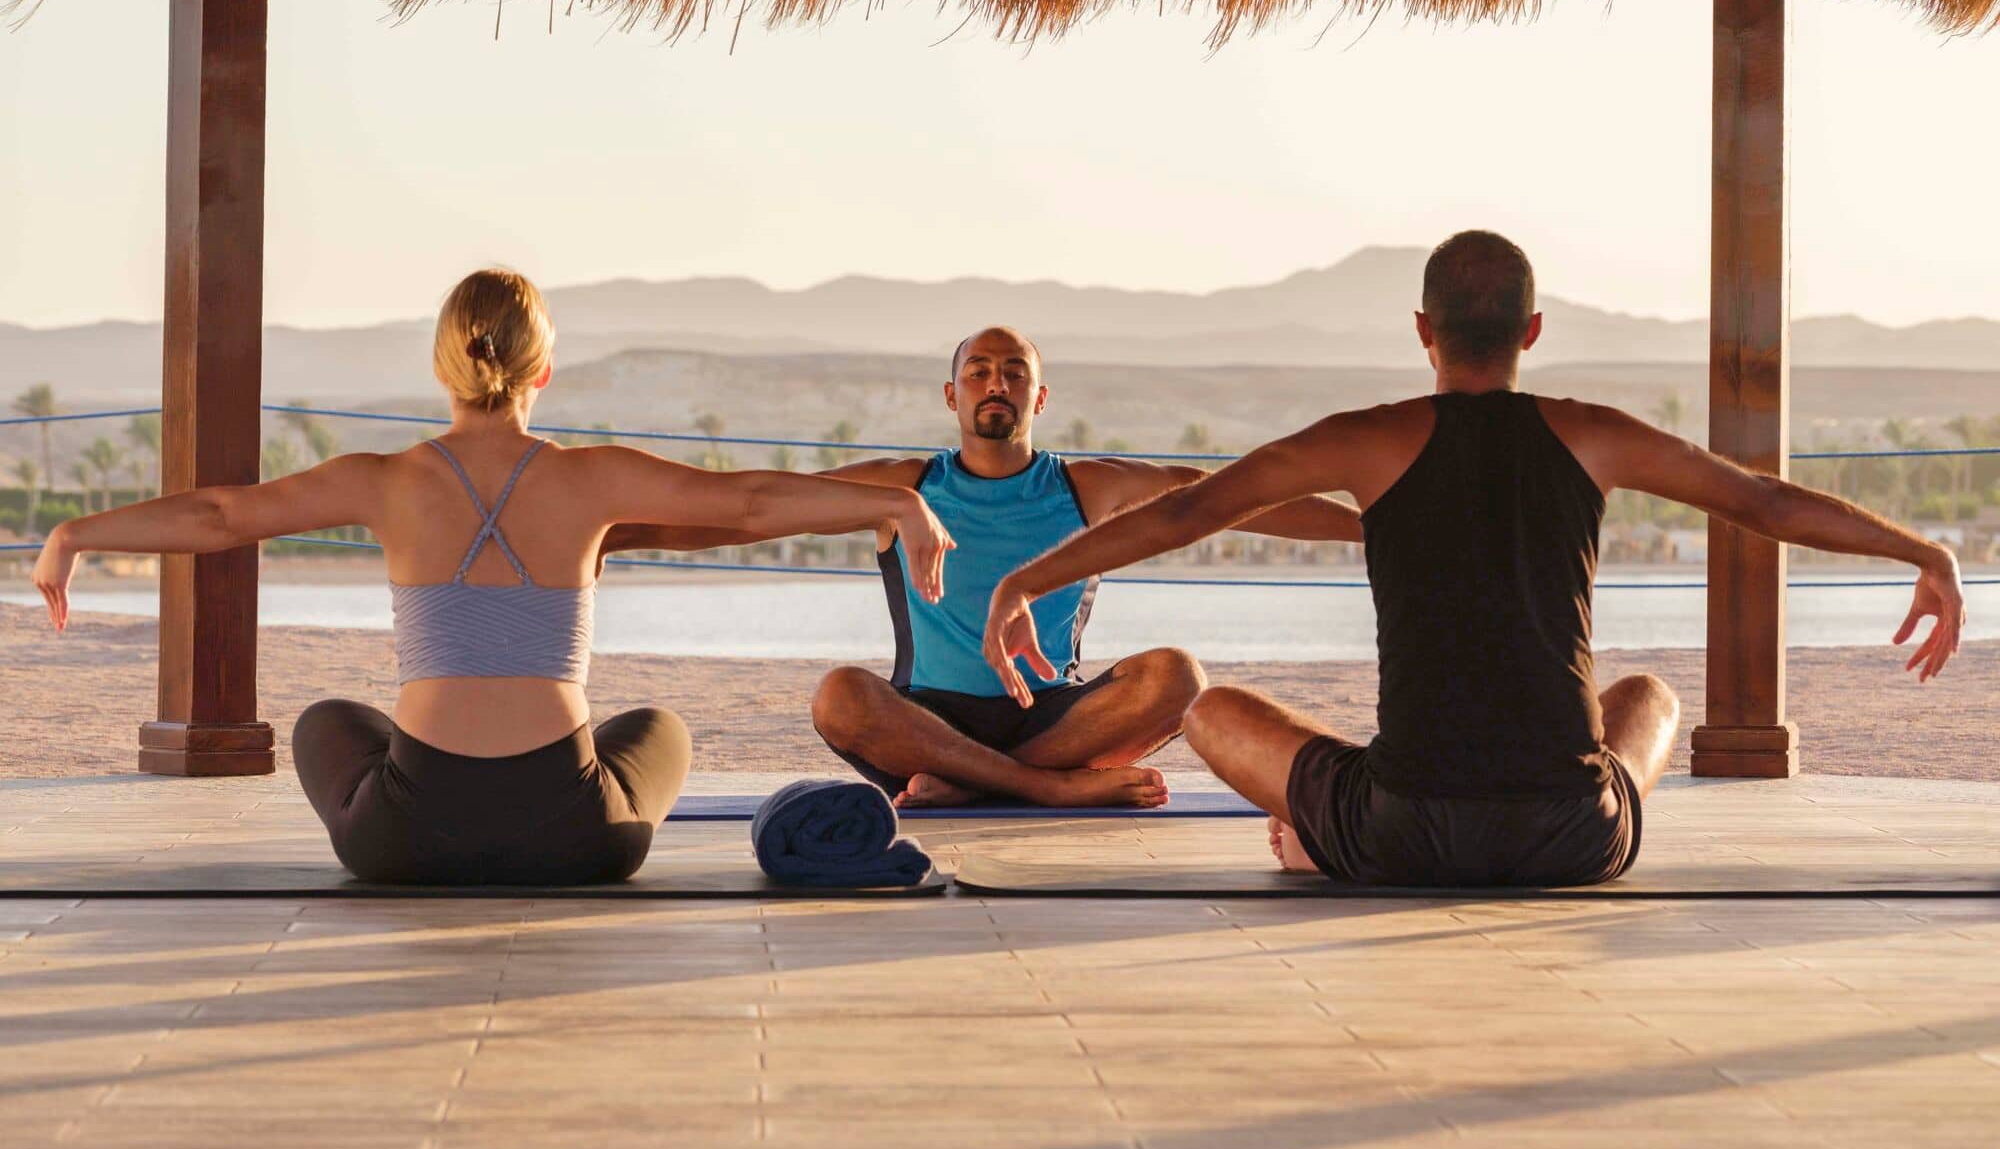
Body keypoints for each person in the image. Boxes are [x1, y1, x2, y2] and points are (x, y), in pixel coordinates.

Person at [981, 231, 1968, 886]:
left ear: (1422, 333)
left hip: (1399, 829)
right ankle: (1383, 818)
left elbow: (1184, 511)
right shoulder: (1591, 434)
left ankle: (1323, 839)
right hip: (1570, 838)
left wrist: (1027, 579)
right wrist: (1918, 548)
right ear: (1530, 333)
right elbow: (1762, 500)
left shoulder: (1365, 439)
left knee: (1210, 711)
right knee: (1649, 701)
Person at [31, 269, 953, 885]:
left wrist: (75, 531)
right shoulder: (593, 477)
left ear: (441, 366)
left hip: (405, 840)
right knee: (657, 726)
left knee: (326, 722)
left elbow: (220, 516)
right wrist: (897, 505)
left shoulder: (382, 481)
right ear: (543, 369)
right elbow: (751, 501)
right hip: (578, 839)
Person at [605, 325, 1361, 808]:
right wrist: (608, 534)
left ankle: (971, 788)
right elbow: (748, 515)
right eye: (979, 372)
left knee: (1177, 677)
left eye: (1012, 373)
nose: (996, 384)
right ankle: (1041, 791)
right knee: (840, 694)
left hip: (1056, 718)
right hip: (926, 722)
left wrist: (1372, 530)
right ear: (951, 393)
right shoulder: (901, 487)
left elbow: (1229, 499)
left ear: (1039, 395)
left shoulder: (1086, 486)